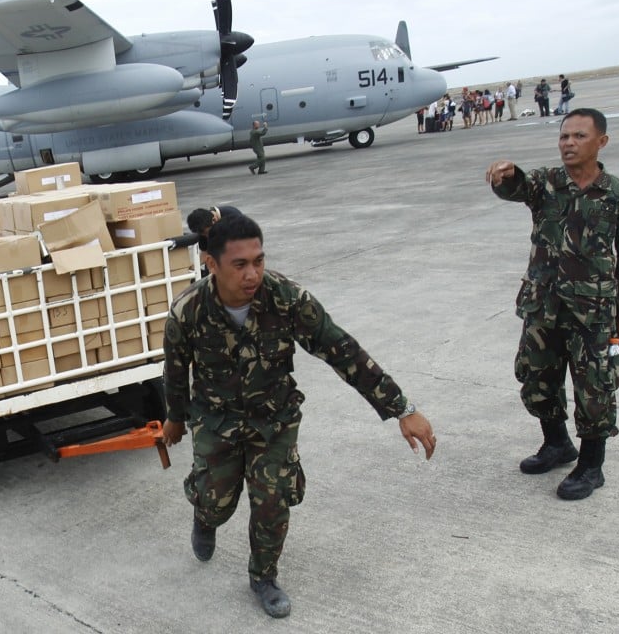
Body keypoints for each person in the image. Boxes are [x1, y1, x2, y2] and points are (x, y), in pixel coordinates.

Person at [161, 215, 436, 618]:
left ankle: (263, 578)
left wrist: (401, 409)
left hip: (274, 420)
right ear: (210, 263)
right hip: (216, 420)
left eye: (258, 260)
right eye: (240, 265)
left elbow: (343, 351)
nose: (253, 273)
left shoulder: (287, 299)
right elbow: (175, 368)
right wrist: (175, 418)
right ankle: (205, 519)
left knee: (272, 500)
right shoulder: (187, 311)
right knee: (216, 502)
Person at [485, 108, 619, 501]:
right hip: (543, 306)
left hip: (594, 312)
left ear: (601, 142)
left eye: (578, 137)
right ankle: (557, 444)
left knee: (595, 390)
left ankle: (591, 465)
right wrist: (507, 174)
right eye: (563, 137)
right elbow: (516, 187)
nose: (568, 143)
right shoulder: (545, 183)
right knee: (537, 379)